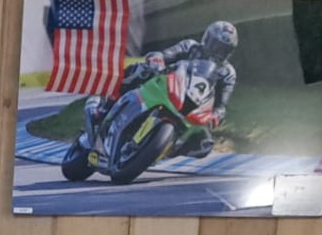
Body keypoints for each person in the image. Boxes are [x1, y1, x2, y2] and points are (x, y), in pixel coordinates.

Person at [99, 18, 238, 157]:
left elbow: (222, 104)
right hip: (169, 84)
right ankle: (106, 105)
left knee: (205, 144)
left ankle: (169, 149)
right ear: (207, 39)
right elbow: (168, 54)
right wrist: (158, 59)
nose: (217, 52)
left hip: (193, 105)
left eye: (223, 50)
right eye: (215, 46)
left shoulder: (228, 73)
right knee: (141, 69)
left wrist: (216, 116)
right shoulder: (190, 46)